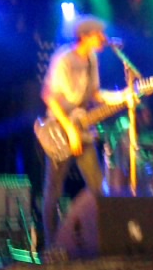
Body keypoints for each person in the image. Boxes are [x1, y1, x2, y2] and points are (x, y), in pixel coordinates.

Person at [40, 16, 134, 249]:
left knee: (98, 188)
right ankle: (51, 247)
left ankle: (106, 243)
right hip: (59, 130)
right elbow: (49, 96)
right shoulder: (64, 59)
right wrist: (70, 131)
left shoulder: (92, 60)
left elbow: (95, 94)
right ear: (85, 36)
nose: (102, 38)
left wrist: (123, 96)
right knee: (54, 190)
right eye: (98, 34)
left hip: (83, 129)